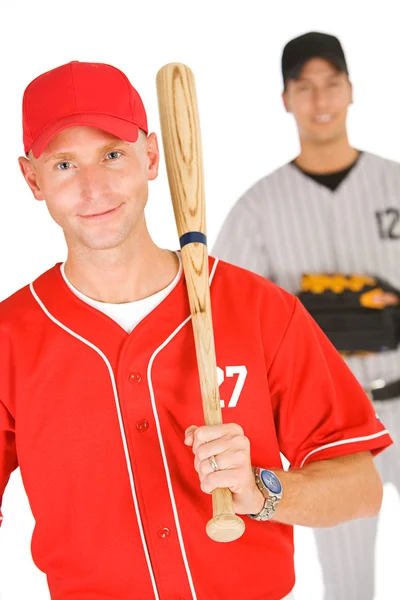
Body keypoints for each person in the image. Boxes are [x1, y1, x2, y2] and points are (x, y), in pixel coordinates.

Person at [0, 60, 392, 600]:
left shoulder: (258, 308)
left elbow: (361, 488)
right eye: (64, 164)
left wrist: (262, 491)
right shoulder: (10, 338)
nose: (93, 187)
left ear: (152, 156)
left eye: (113, 154)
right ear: (32, 179)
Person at [213, 31, 400, 600]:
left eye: (331, 84)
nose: (320, 100)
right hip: (328, 429)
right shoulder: (257, 207)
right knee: (348, 586)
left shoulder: (395, 183)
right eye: (305, 87)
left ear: (350, 91)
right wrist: (308, 323)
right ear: (286, 98)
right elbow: (221, 320)